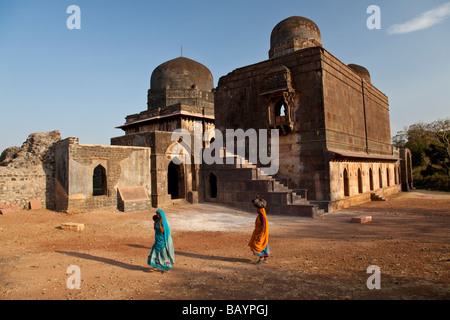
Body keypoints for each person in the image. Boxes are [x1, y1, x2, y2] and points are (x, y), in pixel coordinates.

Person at [248, 196, 270, 264]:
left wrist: (260, 236)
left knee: (259, 244)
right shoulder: (261, 215)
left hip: (261, 233)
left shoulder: (262, 216)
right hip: (260, 232)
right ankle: (265, 258)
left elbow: (263, 226)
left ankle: (261, 258)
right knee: (264, 244)